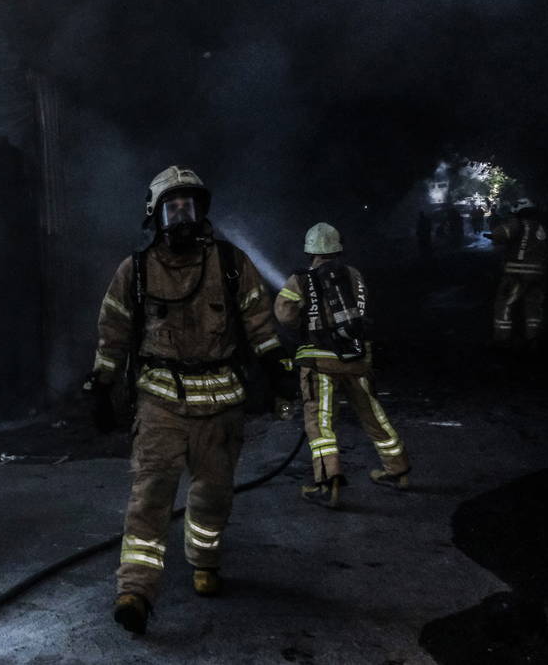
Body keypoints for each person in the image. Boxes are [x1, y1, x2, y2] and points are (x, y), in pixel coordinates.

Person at [87, 165, 287, 636]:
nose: (182, 215)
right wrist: (101, 384)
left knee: (213, 496)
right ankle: (135, 591)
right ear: (155, 216)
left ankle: (204, 561)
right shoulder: (134, 271)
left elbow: (259, 318)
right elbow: (112, 332)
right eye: (172, 207)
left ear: (202, 211)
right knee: (149, 498)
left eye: (190, 206)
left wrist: (275, 363)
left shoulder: (231, 263)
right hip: (160, 404)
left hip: (221, 406)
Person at [274, 223, 410, 508]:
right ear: (338, 248)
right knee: (373, 414)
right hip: (357, 358)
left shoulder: (301, 279)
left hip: (320, 361)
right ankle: (397, 471)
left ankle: (328, 483)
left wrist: (305, 324)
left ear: (309, 250)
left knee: (320, 422)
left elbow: (284, 314)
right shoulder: (354, 275)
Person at [486, 198, 548, 348]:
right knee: (533, 305)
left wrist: (494, 234)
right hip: (539, 274)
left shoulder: (518, 223)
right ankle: (533, 338)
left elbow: (501, 234)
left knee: (505, 303)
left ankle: (502, 339)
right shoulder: (543, 227)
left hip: (517, 274)